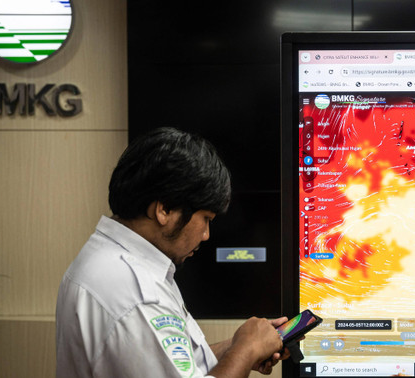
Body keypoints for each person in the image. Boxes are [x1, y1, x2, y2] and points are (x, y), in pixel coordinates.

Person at [56, 127, 288, 378]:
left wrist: (238, 349)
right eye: (205, 218)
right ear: (164, 209)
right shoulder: (136, 296)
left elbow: (168, 363)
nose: (206, 235)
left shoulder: (111, 260)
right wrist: (246, 350)